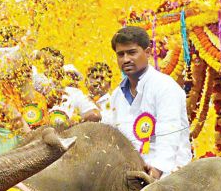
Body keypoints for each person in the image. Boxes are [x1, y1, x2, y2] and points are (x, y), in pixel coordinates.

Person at [101, 26, 192, 177]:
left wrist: (157, 170)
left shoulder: (165, 86)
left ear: (148, 52)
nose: (126, 59)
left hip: (170, 177)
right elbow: (109, 135)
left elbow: (169, 133)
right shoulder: (116, 95)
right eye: (120, 54)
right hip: (132, 176)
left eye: (132, 52)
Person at [34, 47, 100, 124]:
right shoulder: (30, 89)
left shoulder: (74, 92)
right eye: (47, 64)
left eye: (57, 65)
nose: (53, 68)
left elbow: (96, 115)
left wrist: (72, 122)